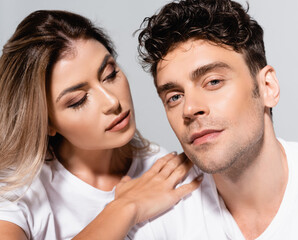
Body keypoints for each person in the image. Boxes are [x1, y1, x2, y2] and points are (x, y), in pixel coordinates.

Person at [136, 0, 298, 239]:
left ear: (267, 87)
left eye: (213, 82)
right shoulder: (161, 213)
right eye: (174, 97)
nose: (189, 109)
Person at [0, 10, 202, 239]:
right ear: (45, 122)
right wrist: (124, 208)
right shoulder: (15, 192)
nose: (112, 101)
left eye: (110, 74)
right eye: (78, 100)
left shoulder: (164, 173)